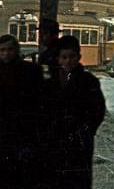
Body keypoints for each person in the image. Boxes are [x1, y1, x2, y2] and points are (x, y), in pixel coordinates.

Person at [42, 35, 106, 189]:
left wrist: (87, 130)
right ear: (58, 59)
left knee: (78, 180)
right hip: (55, 139)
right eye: (64, 57)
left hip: (79, 140)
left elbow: (98, 109)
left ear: (79, 57)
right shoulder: (50, 82)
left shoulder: (88, 81)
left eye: (72, 57)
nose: (68, 61)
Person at [0, 34, 43, 189]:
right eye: (2, 50)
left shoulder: (31, 71)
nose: (6, 53)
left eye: (10, 49)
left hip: (25, 131)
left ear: (16, 50)